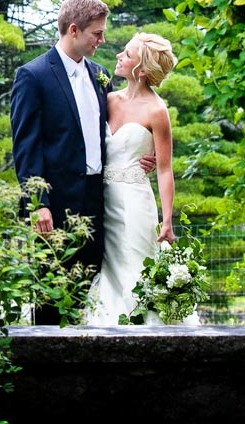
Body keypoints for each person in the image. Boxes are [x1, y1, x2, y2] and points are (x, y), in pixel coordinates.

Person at [10, 0, 154, 325]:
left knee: (94, 292)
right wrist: (38, 204)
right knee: (51, 293)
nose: (102, 41)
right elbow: (26, 146)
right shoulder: (32, 76)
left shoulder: (99, 74)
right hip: (55, 205)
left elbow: (125, 124)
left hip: (99, 200)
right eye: (97, 34)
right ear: (73, 30)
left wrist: (147, 151)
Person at [87, 32, 188, 325]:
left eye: (127, 54)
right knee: (107, 270)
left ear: (142, 70)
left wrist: (167, 220)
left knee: (135, 266)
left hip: (135, 203)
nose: (119, 56)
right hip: (101, 201)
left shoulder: (157, 111)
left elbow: (165, 169)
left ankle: (145, 333)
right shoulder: (106, 100)